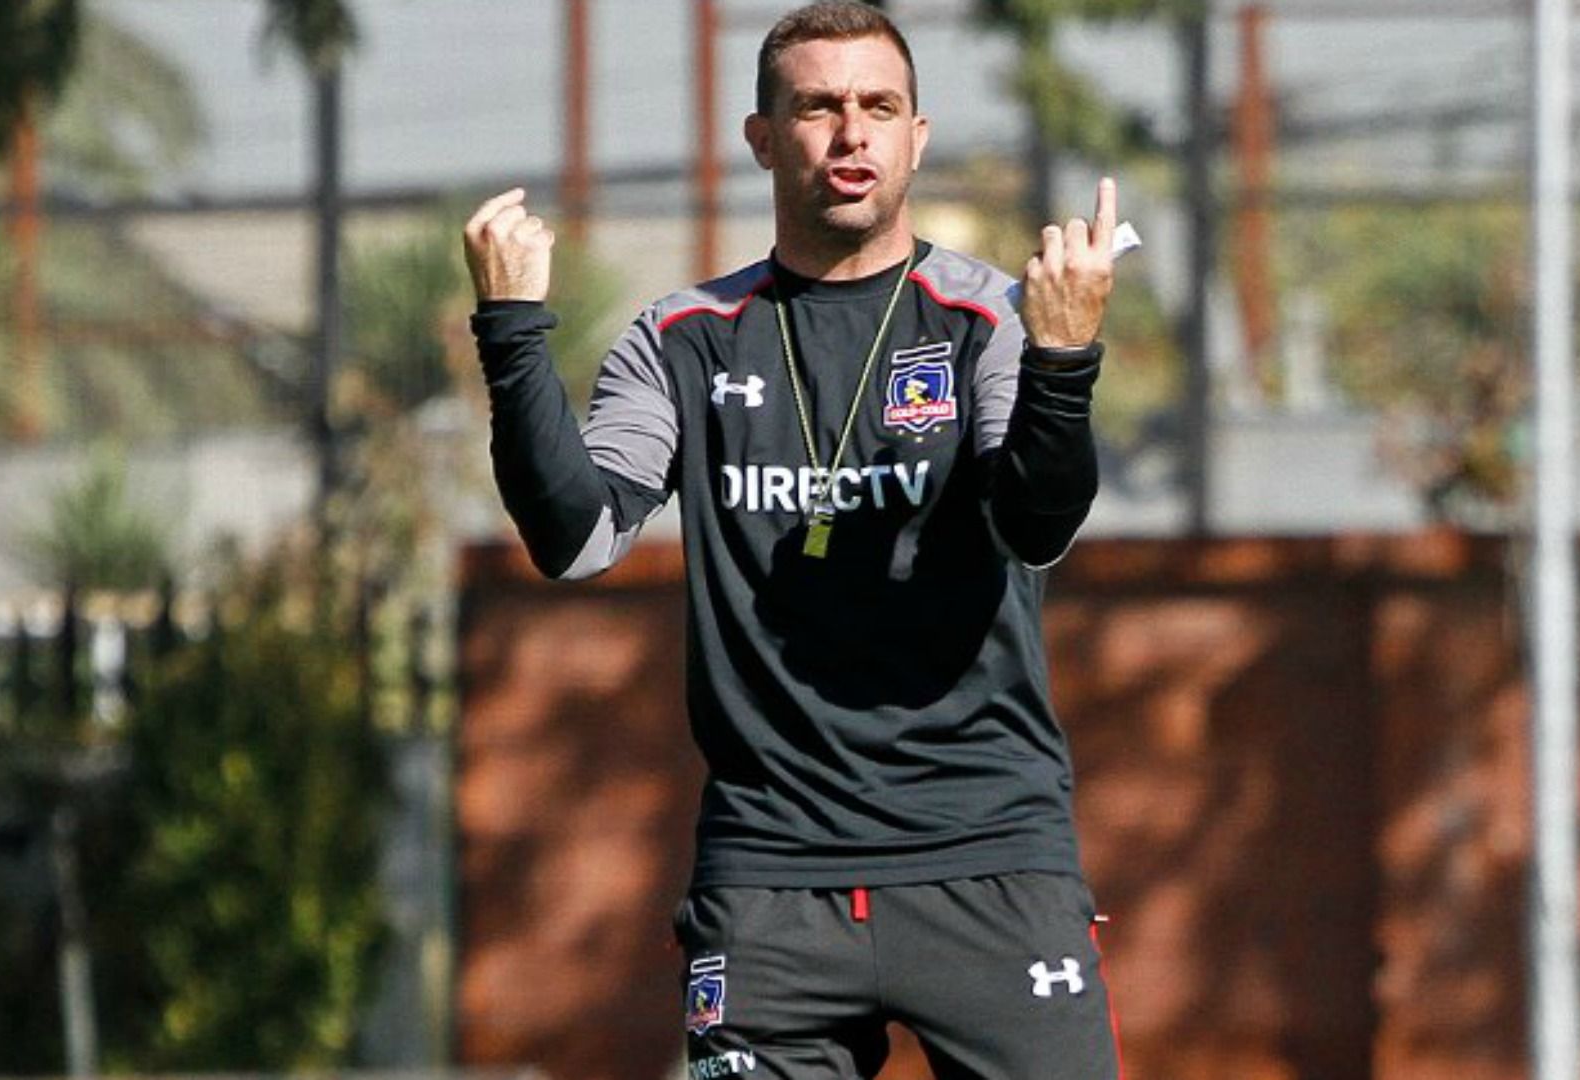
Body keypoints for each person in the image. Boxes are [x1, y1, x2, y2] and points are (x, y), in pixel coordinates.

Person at [462, 3, 1122, 1076]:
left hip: (989, 857)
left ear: (918, 135)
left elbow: (1035, 524)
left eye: (879, 107)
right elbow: (576, 539)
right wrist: (512, 332)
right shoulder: (678, 341)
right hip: (770, 879)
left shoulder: (990, 322)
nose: (851, 132)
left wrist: (1064, 364)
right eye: (817, 106)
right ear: (764, 138)